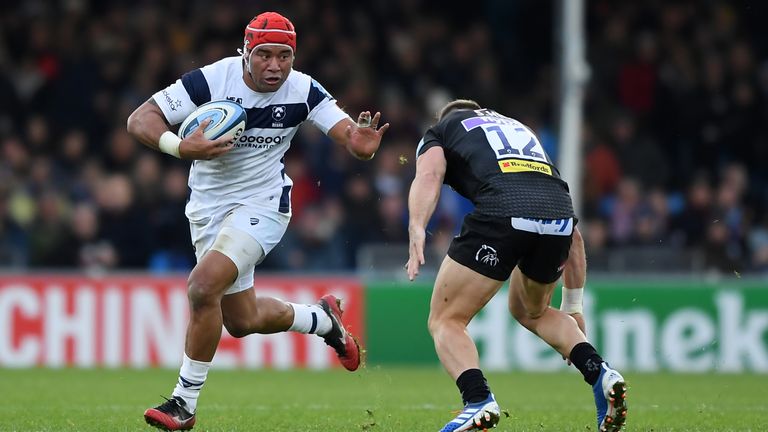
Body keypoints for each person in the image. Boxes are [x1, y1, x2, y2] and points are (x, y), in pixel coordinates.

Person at [126, 11, 389, 431]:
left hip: (264, 203)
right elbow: (139, 119)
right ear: (245, 52)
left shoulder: (303, 89)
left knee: (201, 285)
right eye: (264, 54)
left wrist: (361, 143)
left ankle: (183, 403)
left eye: (284, 55)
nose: (275, 65)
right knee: (241, 321)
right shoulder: (212, 80)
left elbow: (348, 135)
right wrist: (181, 148)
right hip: (208, 208)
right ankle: (323, 320)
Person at [406, 99, 627, 432]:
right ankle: (600, 372)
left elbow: (430, 173)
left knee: (446, 319)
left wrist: (417, 225)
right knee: (532, 311)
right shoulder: (519, 130)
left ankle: (478, 399)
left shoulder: (443, 129)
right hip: (558, 217)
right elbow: (576, 237)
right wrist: (573, 307)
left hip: (503, 212)